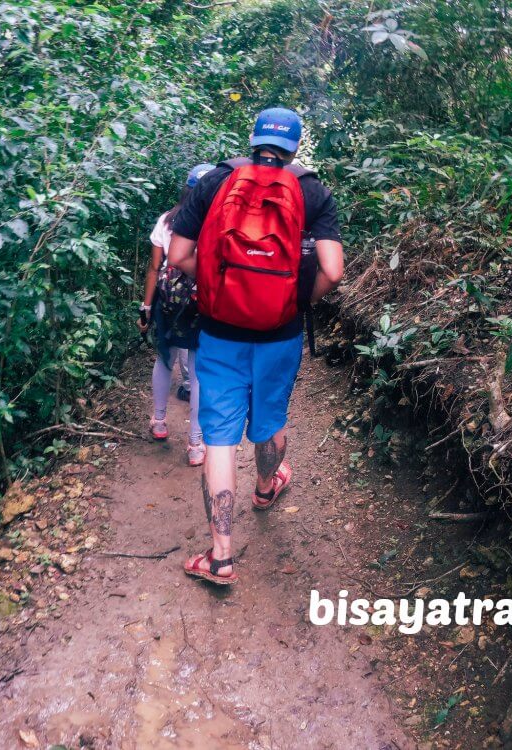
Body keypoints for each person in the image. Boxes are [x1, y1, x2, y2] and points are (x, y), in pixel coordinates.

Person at [168, 108, 344, 585]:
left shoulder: (215, 182)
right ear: (295, 146)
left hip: (220, 330)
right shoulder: (313, 192)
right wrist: (293, 300)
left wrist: (214, 288)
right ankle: (266, 487)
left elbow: (178, 254)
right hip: (280, 332)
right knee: (270, 420)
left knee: (220, 437)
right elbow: (333, 270)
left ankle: (221, 556)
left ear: (252, 139)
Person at [138, 163, 214, 466]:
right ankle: (195, 444)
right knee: (197, 373)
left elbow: (154, 268)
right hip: (200, 303)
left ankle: (158, 421)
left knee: (165, 359)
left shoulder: (167, 221)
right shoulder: (215, 223)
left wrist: (145, 308)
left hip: (167, 302)